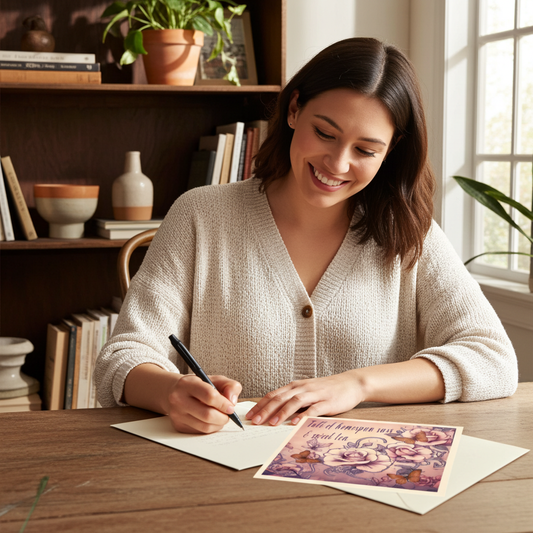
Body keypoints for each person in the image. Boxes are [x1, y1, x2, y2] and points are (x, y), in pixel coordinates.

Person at [94, 37, 518, 434]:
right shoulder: (201, 215)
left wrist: (358, 385)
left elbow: (493, 359)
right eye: (325, 133)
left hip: (365, 484)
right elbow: (123, 356)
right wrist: (169, 393)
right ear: (294, 109)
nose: (337, 163)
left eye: (366, 150)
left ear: (392, 151)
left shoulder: (408, 232)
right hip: (221, 482)